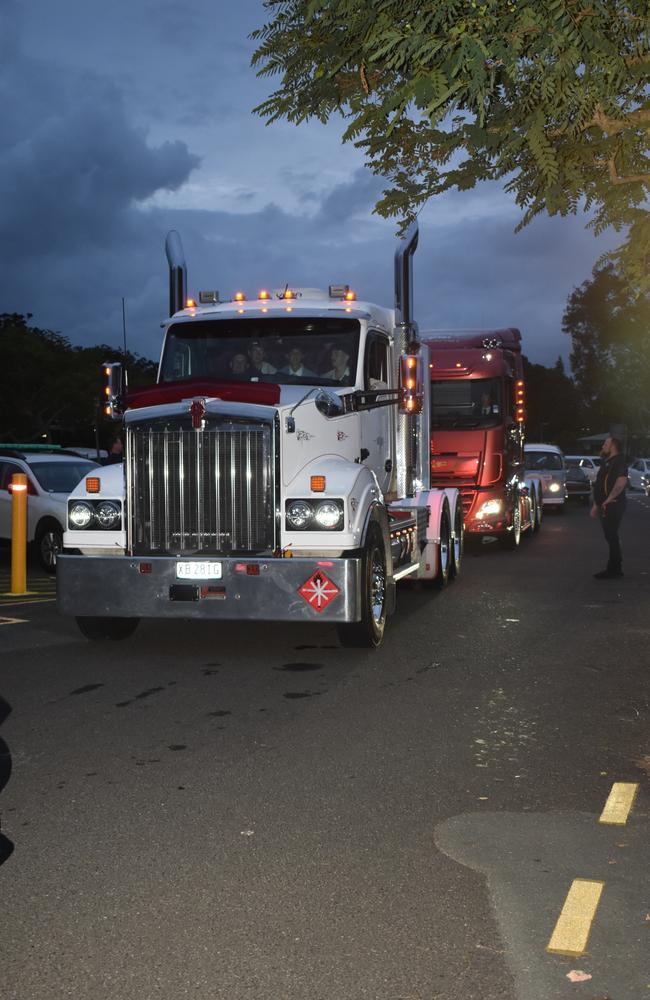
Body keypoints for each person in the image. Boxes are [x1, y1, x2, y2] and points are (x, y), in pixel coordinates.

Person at [590, 435, 628, 579]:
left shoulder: (619, 461)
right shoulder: (608, 462)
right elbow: (600, 484)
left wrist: (608, 500)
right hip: (605, 505)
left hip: (614, 504)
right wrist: (596, 504)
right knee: (610, 535)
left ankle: (615, 569)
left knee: (612, 535)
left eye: (606, 444)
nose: (603, 446)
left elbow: (621, 482)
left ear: (613, 445)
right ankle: (614, 567)